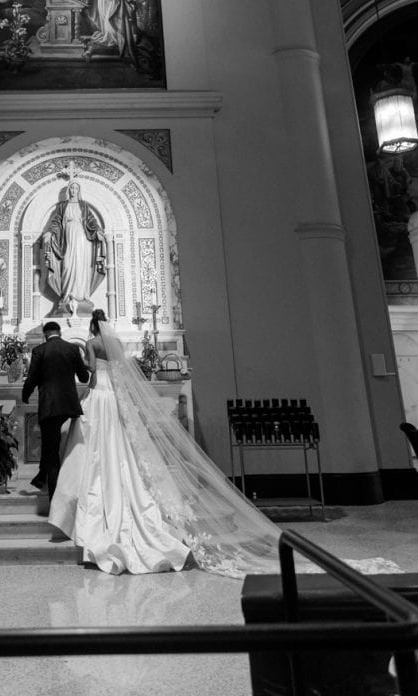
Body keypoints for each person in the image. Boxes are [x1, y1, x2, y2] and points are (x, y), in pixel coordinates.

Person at [49, 311, 403, 578]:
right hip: (119, 399)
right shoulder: (117, 343)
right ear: (107, 323)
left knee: (97, 447)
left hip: (101, 396)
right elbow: (122, 369)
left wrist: (82, 359)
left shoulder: (93, 344)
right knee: (123, 449)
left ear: (93, 328)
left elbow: (92, 373)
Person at [21, 320, 90, 499]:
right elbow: (83, 378)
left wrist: (25, 394)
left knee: (51, 451)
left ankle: (53, 498)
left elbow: (32, 378)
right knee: (63, 449)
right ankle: (47, 479)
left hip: (50, 406)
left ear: (45, 334)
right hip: (70, 407)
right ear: (60, 333)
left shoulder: (39, 351)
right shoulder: (73, 349)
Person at [43, 180, 106, 318]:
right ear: (68, 190)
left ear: (79, 190)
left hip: (83, 238)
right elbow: (56, 222)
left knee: (81, 266)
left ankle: (82, 296)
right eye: (71, 188)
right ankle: (67, 295)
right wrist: (50, 232)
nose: (74, 190)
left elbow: (91, 221)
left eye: (76, 188)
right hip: (67, 238)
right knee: (67, 266)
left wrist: (98, 232)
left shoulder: (84, 206)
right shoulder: (62, 206)